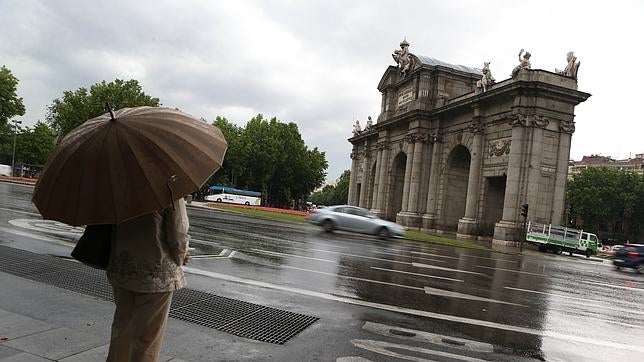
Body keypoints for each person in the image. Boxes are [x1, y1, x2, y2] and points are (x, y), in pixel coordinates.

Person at [106, 197, 190, 362]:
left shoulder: (118, 186)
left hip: (123, 267)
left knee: (122, 331)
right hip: (156, 273)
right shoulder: (167, 188)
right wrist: (182, 256)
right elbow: (178, 234)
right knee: (148, 339)